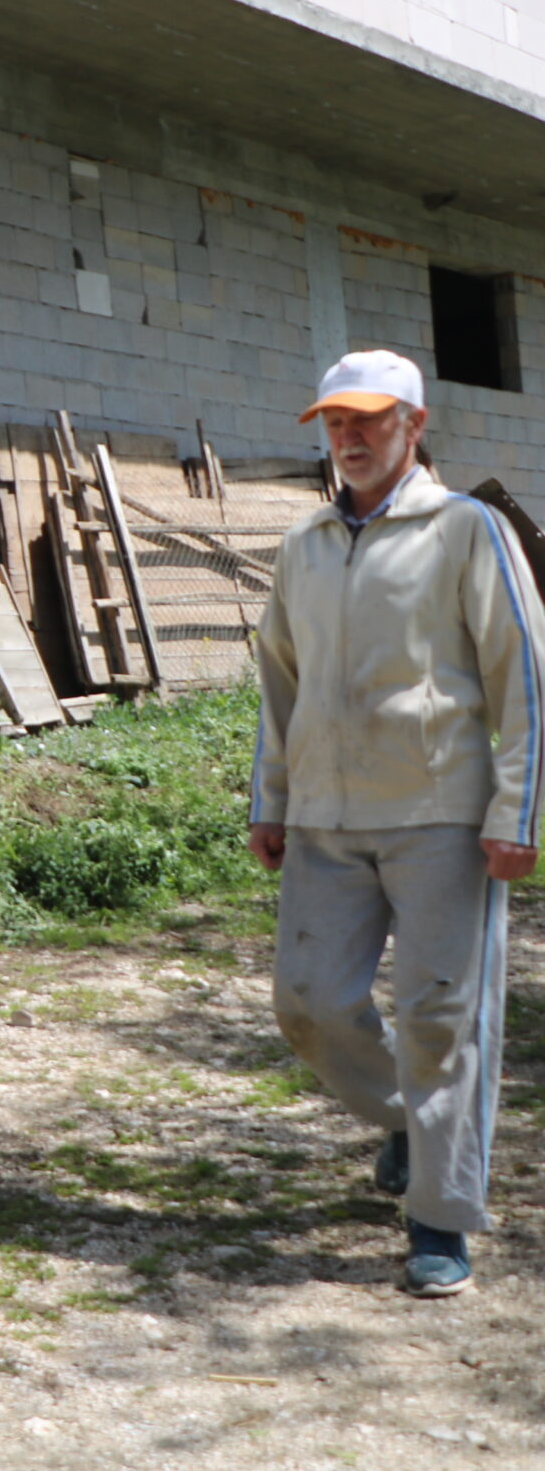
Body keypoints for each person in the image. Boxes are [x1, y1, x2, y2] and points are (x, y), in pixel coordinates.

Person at [249, 348, 541, 1298]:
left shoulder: (467, 529)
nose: (350, 437)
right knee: (309, 1002)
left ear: (414, 427)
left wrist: (517, 808)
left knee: (441, 1017)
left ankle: (441, 1218)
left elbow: (523, 675)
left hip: (443, 819)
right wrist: (273, 798)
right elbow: (278, 688)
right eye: (336, 422)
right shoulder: (303, 544)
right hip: (328, 818)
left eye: (370, 420)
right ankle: (412, 1124)